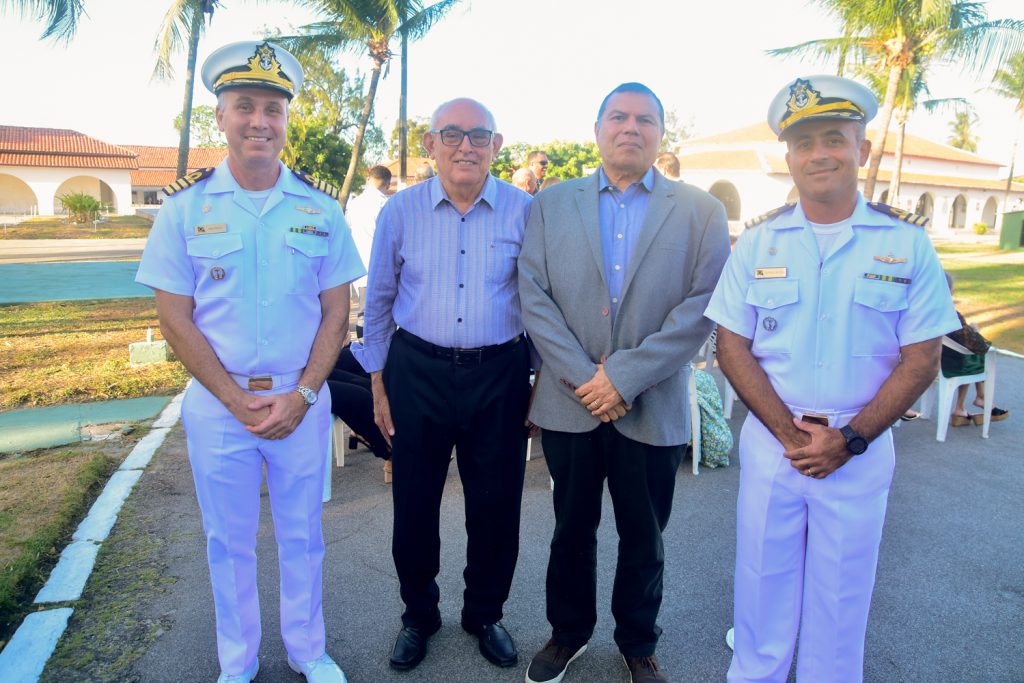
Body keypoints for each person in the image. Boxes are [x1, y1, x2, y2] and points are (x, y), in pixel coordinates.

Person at [705, 74, 960, 683]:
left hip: (860, 447)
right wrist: (792, 437)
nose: (819, 153)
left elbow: (921, 358)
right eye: (804, 142)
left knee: (841, 601)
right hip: (774, 444)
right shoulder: (758, 244)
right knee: (761, 590)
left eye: (835, 138)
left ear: (862, 150)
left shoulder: (907, 244)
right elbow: (732, 344)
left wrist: (848, 442)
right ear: (788, 158)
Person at [135, 41, 363, 683]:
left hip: (300, 400)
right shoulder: (184, 209)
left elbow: (334, 313)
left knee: (303, 538)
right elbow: (175, 318)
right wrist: (236, 400)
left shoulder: (320, 210)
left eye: (272, 108)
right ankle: (236, 663)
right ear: (221, 118)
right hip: (218, 403)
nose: (259, 120)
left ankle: (307, 651)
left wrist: (306, 394)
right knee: (228, 542)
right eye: (244, 107)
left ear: (288, 121)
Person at [518, 82, 730, 683]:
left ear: (662, 133)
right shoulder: (551, 204)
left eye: (645, 119)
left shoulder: (700, 210)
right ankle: (568, 633)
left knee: (644, 535)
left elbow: (701, 306)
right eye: (618, 117)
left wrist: (625, 377)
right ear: (598, 129)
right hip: (570, 401)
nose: (630, 128)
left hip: (651, 404)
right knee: (570, 528)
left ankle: (638, 640)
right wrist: (588, 378)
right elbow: (533, 296)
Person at [351, 97, 533, 672]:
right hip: (417, 373)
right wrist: (378, 381)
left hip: (499, 373)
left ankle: (485, 614)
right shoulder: (399, 213)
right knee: (414, 503)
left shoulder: (525, 211)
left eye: (479, 136)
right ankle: (418, 615)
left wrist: (541, 381)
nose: (465, 146)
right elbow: (378, 301)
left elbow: (541, 302)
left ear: (497, 147)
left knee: (497, 505)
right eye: (451, 134)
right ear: (429, 144)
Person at [941, 271, 1008, 425]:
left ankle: (962, 407)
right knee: (976, 354)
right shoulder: (950, 313)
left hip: (932, 358)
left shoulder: (924, 309)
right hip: (946, 365)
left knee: (966, 354)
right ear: (949, 290)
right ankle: (981, 398)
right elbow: (979, 345)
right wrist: (975, 330)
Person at [345, 164, 391, 299]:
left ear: (369, 180)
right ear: (388, 185)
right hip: (380, 273)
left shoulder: (354, 204)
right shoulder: (386, 205)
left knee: (362, 315)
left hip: (358, 271)